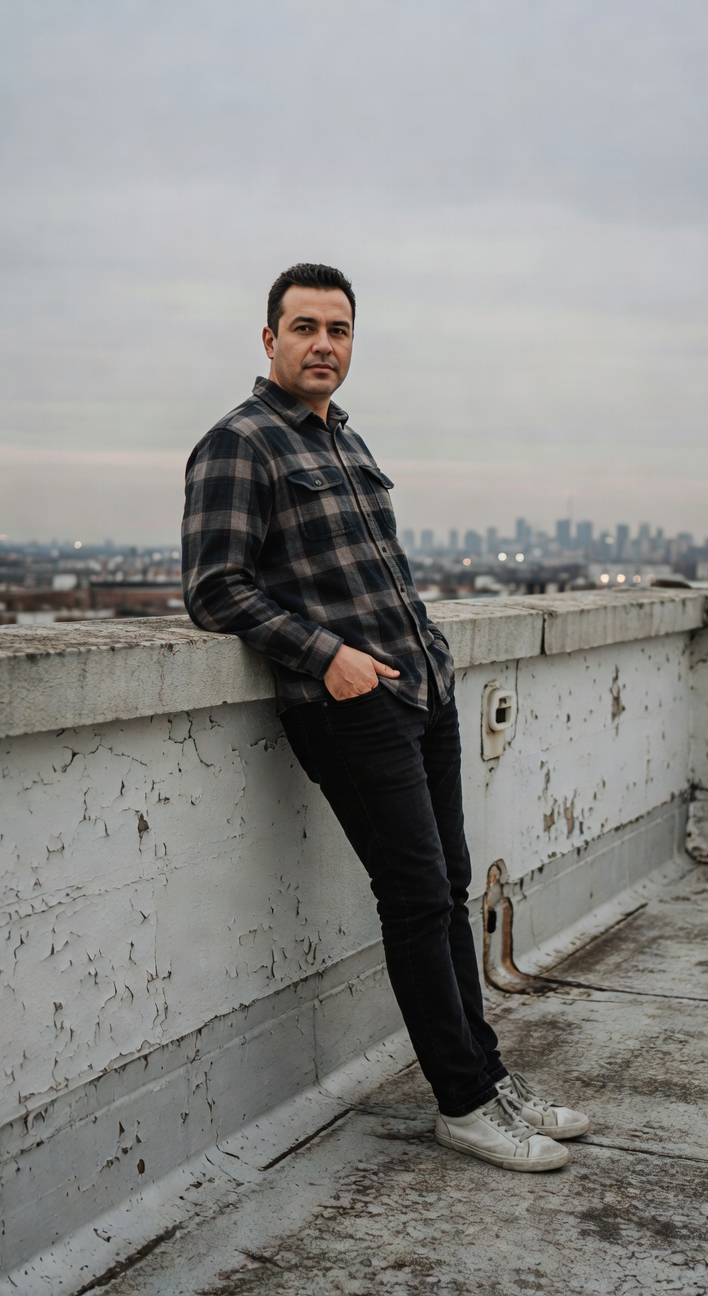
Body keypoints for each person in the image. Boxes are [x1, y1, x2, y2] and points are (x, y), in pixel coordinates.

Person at [182, 262, 591, 1171]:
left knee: (445, 889)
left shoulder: (346, 439)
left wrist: (429, 658)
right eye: (304, 328)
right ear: (268, 339)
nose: (323, 344)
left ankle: (485, 1077)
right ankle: (461, 1103)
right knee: (413, 899)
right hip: (346, 707)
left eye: (339, 329)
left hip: (420, 692)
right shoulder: (240, 443)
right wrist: (329, 657)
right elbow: (214, 590)